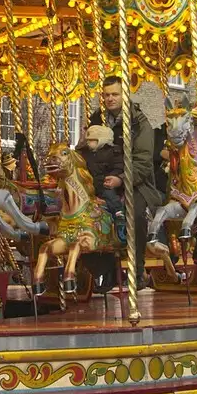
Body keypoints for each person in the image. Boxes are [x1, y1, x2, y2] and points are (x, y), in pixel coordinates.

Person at [89, 76, 164, 280]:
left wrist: (121, 179)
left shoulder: (138, 122)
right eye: (106, 95)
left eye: (115, 94)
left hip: (135, 181)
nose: (110, 98)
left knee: (136, 214)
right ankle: (101, 271)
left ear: (124, 95)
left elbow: (143, 160)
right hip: (103, 180)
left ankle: (137, 269)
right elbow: (87, 148)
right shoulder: (97, 120)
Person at [79, 123, 125, 225]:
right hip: (90, 184)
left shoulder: (113, 152)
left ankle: (119, 213)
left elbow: (118, 166)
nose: (89, 143)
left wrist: (114, 176)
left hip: (105, 183)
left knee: (110, 195)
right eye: (88, 140)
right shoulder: (85, 153)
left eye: (93, 140)